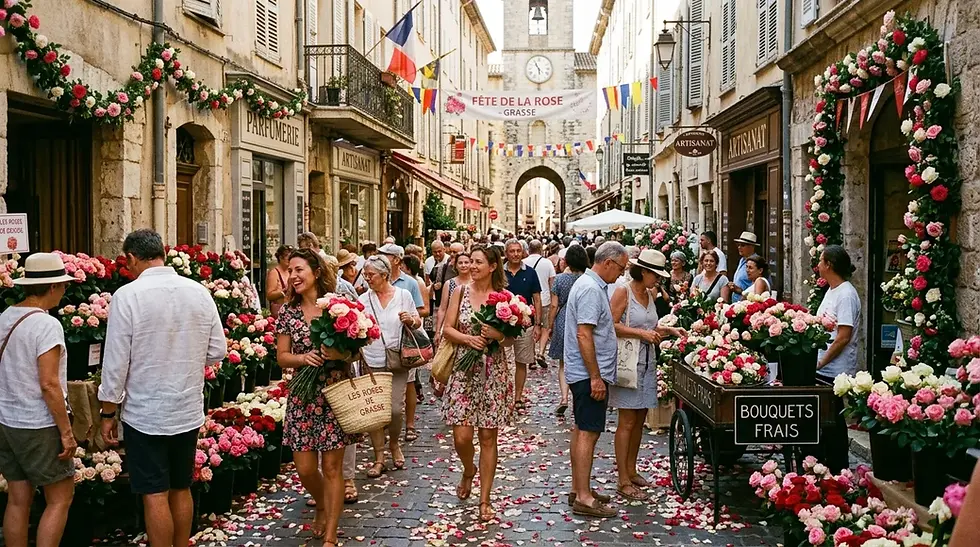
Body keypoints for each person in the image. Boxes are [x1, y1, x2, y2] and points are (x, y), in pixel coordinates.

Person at [99, 229, 226, 547]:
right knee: (181, 486)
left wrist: (108, 410)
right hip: (185, 407)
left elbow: (116, 362)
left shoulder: (127, 296)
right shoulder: (198, 292)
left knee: (154, 492)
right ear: (162, 253)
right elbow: (217, 351)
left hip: (146, 411)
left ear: (131, 258)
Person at [274, 248, 359, 543]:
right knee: (306, 469)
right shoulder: (288, 312)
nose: (294, 276)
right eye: (290, 271)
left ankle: (331, 535)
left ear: (316, 272)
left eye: (299, 270)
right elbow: (282, 357)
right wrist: (304, 358)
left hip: (335, 394)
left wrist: (340, 352)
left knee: (333, 468)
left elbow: (357, 348)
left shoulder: (340, 306)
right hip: (303, 396)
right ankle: (321, 503)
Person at [0, 253, 76, 547]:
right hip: (38, 423)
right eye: (63, 285)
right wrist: (66, 432)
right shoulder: (46, 325)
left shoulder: (5, 317)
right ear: (54, 286)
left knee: (18, 500)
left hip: (6, 419)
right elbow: (49, 383)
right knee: (60, 498)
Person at [442, 246, 516, 523]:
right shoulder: (460, 291)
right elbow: (447, 328)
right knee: (461, 436)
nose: (472, 266)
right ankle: (468, 469)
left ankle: (484, 499)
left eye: (477, 262)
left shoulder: (505, 299)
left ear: (493, 266)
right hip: (463, 371)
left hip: (493, 372)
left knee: (488, 437)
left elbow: (511, 338)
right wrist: (467, 340)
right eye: (470, 261)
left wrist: (498, 335)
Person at [608, 250, 684, 501]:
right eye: (656, 275)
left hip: (647, 362)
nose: (659, 281)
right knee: (627, 420)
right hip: (629, 362)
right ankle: (622, 479)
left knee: (640, 418)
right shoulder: (624, 291)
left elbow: (649, 326)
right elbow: (611, 324)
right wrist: (642, 335)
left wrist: (669, 329)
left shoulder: (650, 294)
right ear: (644, 272)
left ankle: (631, 469)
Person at [564, 242, 629, 518]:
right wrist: (595, 377)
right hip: (587, 373)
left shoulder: (589, 284)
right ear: (608, 263)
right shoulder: (591, 288)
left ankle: (580, 487)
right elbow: (584, 334)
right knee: (588, 432)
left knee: (582, 429)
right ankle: (584, 497)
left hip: (582, 372)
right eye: (621, 268)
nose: (620, 275)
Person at [358, 255, 420, 479]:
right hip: (372, 359)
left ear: (384, 275)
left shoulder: (403, 295)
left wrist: (410, 320)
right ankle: (379, 457)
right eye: (366, 275)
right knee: (375, 412)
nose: (367, 279)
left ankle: (394, 443)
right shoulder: (363, 300)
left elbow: (417, 320)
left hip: (398, 359)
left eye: (371, 275)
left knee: (395, 409)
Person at [814, 245, 860, 472]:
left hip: (836, 370)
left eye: (821, 261)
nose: (818, 265)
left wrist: (822, 361)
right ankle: (825, 463)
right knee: (825, 420)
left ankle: (838, 466)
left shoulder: (846, 294)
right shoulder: (831, 291)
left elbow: (843, 336)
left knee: (834, 420)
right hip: (823, 367)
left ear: (829, 265)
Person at [546, 245, 589, 417]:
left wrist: (549, 326)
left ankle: (564, 398)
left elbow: (554, 305)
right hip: (583, 317)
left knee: (564, 363)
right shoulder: (587, 279)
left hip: (563, 318)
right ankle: (579, 398)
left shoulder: (559, 280)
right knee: (583, 360)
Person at [504, 239, 543, 410]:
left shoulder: (531, 273)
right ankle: (503, 395)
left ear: (523, 252)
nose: (515, 254)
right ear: (506, 253)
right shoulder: (499, 272)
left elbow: (537, 298)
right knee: (501, 362)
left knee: (521, 361)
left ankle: (518, 396)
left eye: (518, 251)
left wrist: (538, 324)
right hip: (502, 324)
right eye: (511, 251)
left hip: (525, 324)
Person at [401, 254, 429, 441]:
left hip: (408, 339)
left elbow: (424, 309)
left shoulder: (412, 283)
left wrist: (410, 318)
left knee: (410, 381)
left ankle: (409, 424)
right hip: (381, 346)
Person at [524, 239, 556, 369]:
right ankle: (541, 352)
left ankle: (531, 357)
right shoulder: (547, 263)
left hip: (529, 302)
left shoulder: (524, 262)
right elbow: (552, 283)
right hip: (545, 300)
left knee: (531, 328)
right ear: (541, 250)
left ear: (529, 249)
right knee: (545, 328)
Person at [435, 251, 472, 345]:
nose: (463, 265)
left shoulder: (476, 283)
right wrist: (438, 331)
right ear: (455, 266)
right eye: (460, 263)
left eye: (466, 262)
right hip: (452, 327)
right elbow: (442, 308)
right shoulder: (449, 284)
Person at [378, 244, 425, 313]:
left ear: (396, 260)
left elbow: (420, 310)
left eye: (384, 258)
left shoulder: (411, 283)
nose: (380, 261)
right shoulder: (377, 281)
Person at [727, 231, 759, 302]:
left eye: (743, 245)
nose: (739, 247)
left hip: (747, 303)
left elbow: (757, 288)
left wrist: (739, 290)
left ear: (751, 247)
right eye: (738, 245)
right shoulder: (742, 260)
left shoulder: (757, 262)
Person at [266, 244, 293, 318]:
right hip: (279, 311)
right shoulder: (274, 273)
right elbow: (269, 295)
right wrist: (284, 291)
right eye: (288, 258)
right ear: (280, 258)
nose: (290, 260)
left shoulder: (291, 271)